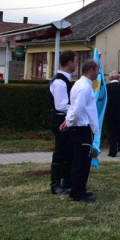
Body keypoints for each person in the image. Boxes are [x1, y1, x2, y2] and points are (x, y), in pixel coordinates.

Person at [63, 60, 100, 203]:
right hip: (81, 128)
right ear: (91, 70)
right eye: (97, 70)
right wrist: (69, 122)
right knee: (82, 162)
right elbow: (77, 109)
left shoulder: (79, 84)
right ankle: (78, 193)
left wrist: (68, 121)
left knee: (80, 160)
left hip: (79, 127)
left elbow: (74, 107)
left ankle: (78, 189)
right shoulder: (84, 87)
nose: (98, 73)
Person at [48, 50, 76, 195]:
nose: (76, 65)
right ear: (70, 62)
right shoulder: (59, 81)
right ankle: (55, 184)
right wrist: (77, 108)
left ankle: (67, 180)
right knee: (60, 151)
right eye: (75, 62)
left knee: (68, 150)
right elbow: (61, 105)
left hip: (65, 118)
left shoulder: (65, 79)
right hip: (60, 119)